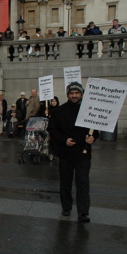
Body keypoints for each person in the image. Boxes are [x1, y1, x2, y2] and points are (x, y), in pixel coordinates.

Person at [47, 82, 99, 223]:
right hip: (66, 153)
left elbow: (95, 129)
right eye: (71, 93)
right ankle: (66, 207)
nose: (74, 95)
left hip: (83, 153)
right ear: (67, 95)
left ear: (81, 94)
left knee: (82, 182)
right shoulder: (59, 111)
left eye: (77, 93)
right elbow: (52, 130)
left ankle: (83, 212)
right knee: (65, 182)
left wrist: (92, 138)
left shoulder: (89, 111)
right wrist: (64, 140)